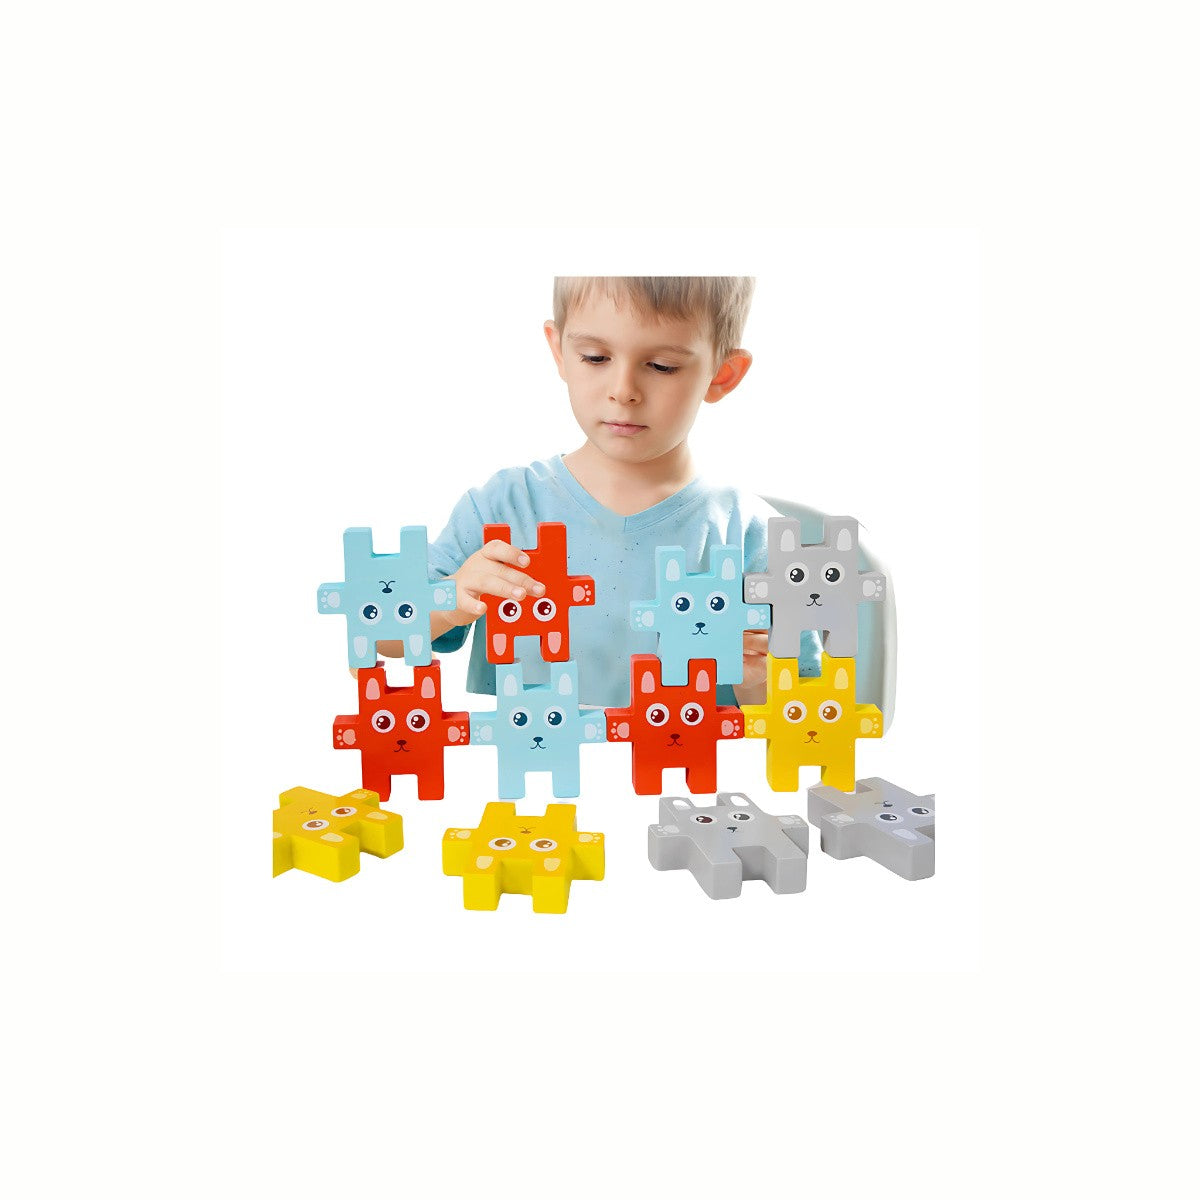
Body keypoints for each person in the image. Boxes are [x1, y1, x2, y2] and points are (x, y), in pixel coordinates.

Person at [379, 276, 819, 708]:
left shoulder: (755, 535)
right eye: (594, 357)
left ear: (722, 374)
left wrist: (755, 683)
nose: (623, 391)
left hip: (686, 779)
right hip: (530, 769)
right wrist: (450, 599)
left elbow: (808, 717)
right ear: (559, 351)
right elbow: (384, 636)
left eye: (662, 366)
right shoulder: (501, 507)